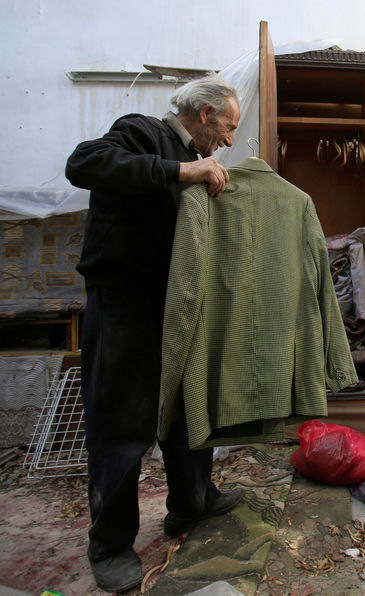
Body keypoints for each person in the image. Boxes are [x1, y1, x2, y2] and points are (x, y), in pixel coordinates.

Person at [65, 74, 244, 593]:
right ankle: (111, 544)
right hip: (125, 299)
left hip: (179, 302)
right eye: (229, 127)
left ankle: (192, 503)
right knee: (121, 418)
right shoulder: (142, 132)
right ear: (206, 114)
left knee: (189, 409)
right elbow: (83, 164)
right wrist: (182, 169)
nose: (230, 140)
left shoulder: (206, 162)